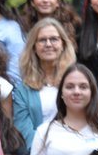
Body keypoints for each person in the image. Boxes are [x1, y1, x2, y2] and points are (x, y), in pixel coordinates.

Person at [15, 17, 77, 146]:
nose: (48, 44)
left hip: (72, 150)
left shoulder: (76, 82)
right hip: (36, 154)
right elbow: (24, 132)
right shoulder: (23, 90)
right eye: (42, 40)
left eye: (54, 39)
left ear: (63, 45)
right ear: (34, 47)